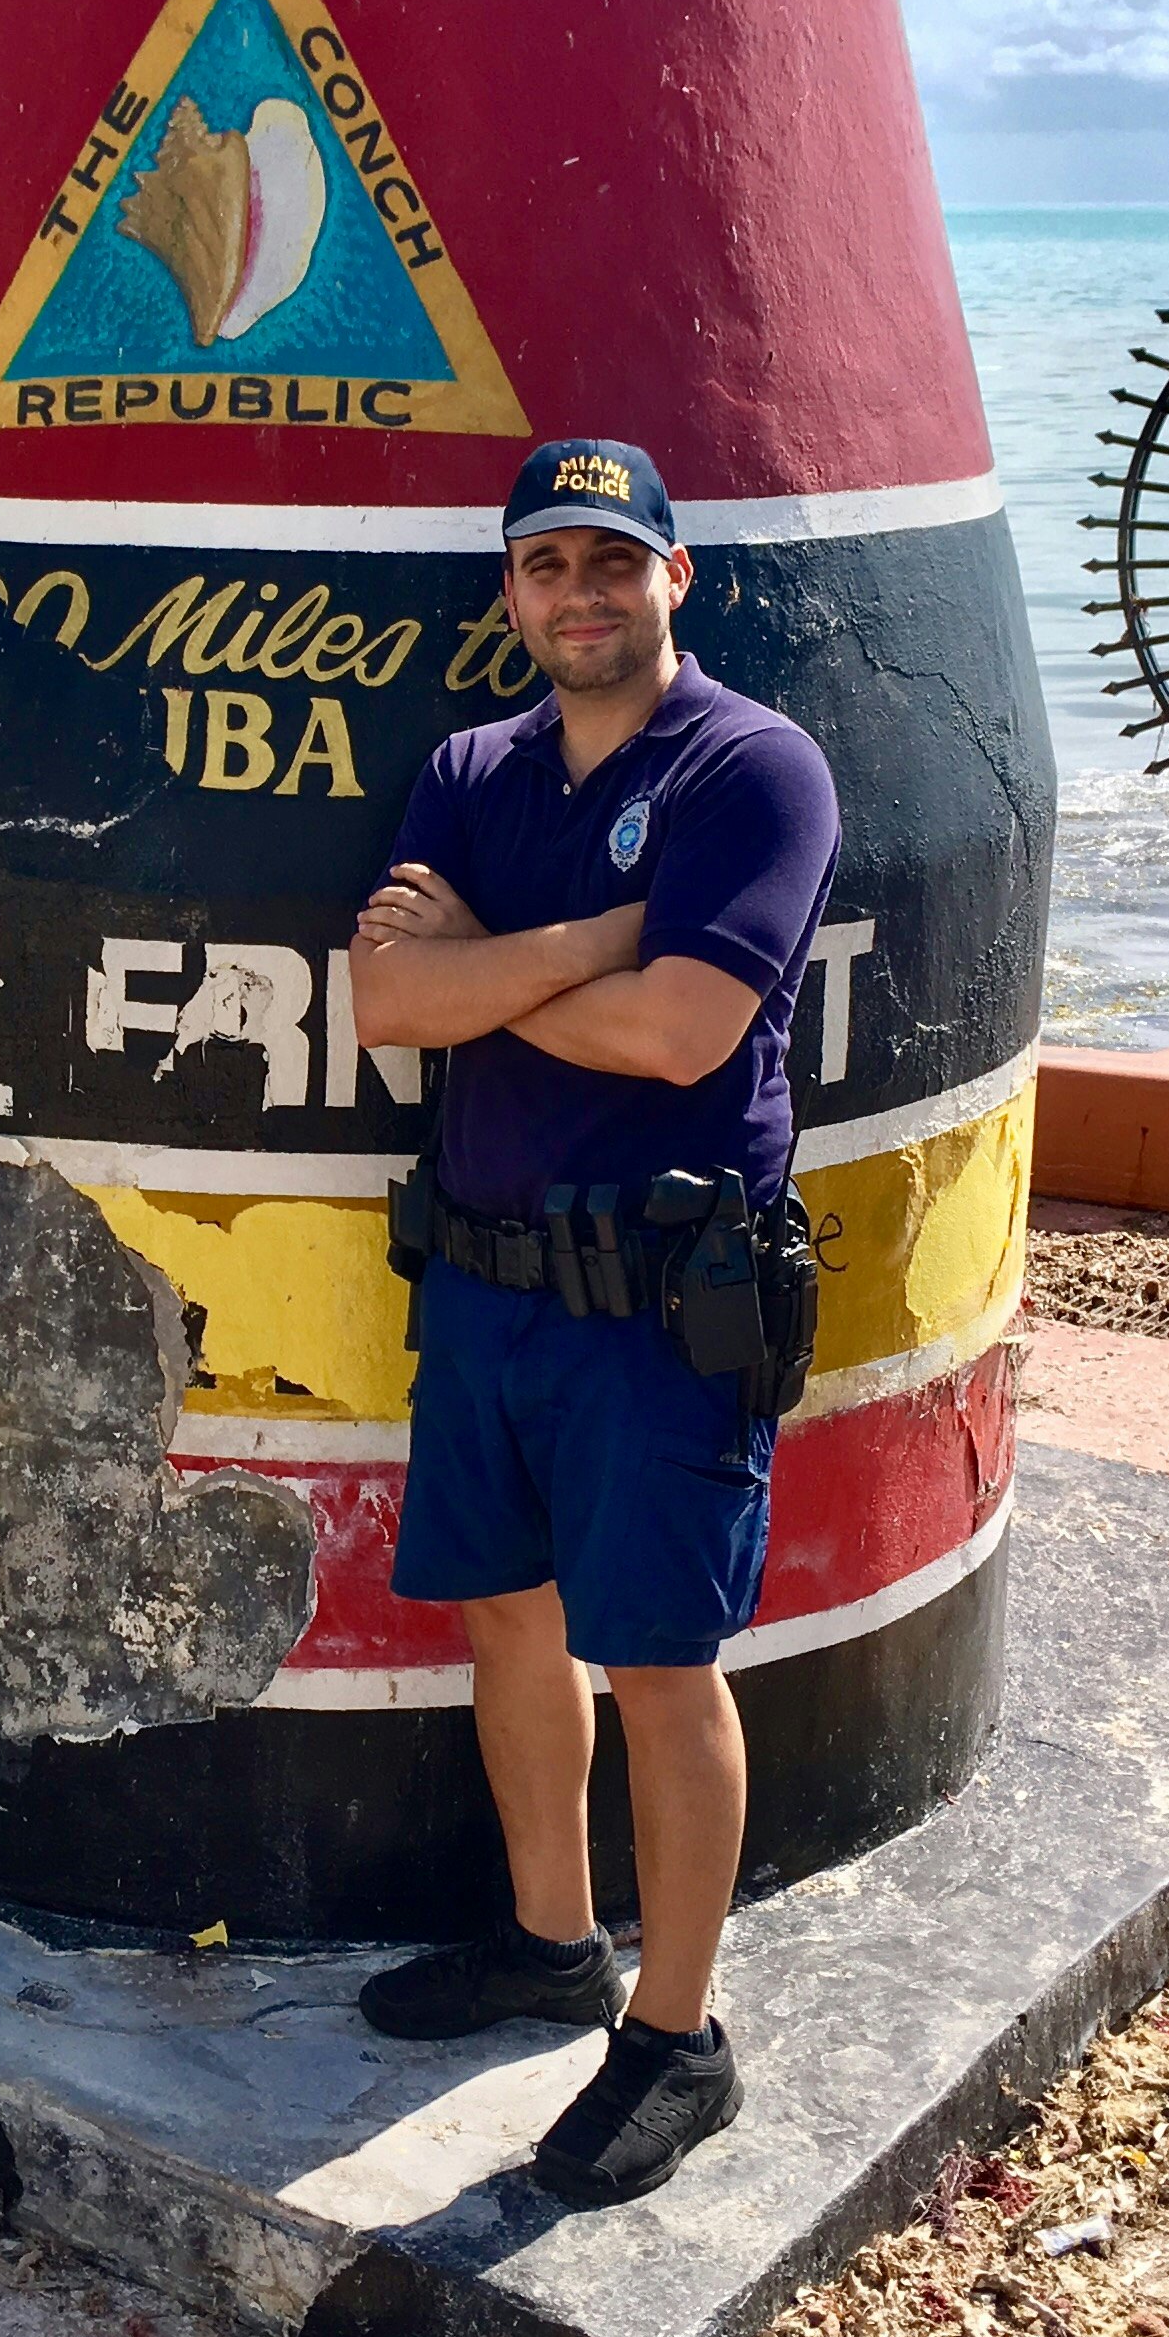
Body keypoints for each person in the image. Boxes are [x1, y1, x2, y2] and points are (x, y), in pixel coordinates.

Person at [343, 435, 839, 2209]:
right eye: (548, 567)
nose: (581, 597)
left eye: (612, 565)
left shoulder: (756, 769)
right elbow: (391, 1003)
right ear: (510, 593)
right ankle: (553, 1945)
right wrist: (589, 940)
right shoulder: (475, 767)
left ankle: (678, 2041)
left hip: (659, 1298)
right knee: (505, 1622)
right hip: (486, 1284)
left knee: (660, 1662)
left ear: (674, 578)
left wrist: (500, 959)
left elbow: (681, 1037)